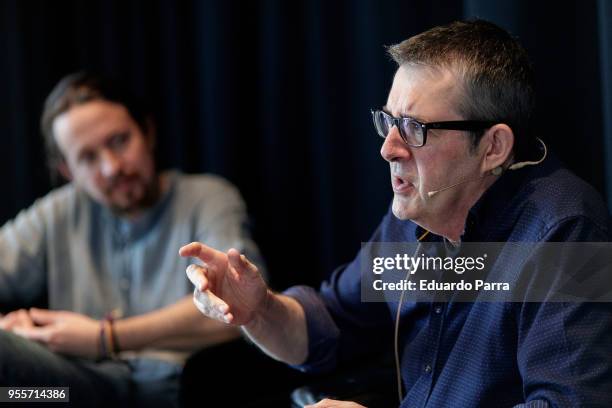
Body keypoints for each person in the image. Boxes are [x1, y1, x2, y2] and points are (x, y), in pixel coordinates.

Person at [181, 20, 612, 408]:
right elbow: (326, 328)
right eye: (388, 122)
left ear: (493, 147)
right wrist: (259, 311)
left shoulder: (564, 230)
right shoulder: (418, 214)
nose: (387, 148)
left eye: (414, 129)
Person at [0, 72, 264, 407]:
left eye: (119, 141)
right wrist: (19, 331)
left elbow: (239, 304)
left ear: (147, 132)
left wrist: (104, 338)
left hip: (164, 390)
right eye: (88, 158)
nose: (111, 167)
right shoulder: (58, 211)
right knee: (12, 398)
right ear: (69, 172)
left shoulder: (206, 198)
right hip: (67, 392)